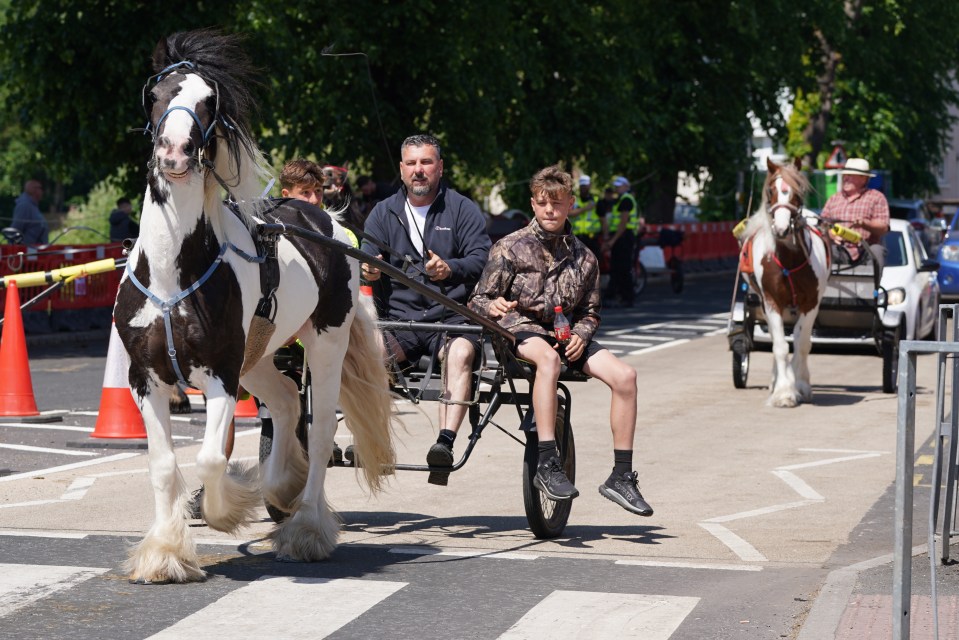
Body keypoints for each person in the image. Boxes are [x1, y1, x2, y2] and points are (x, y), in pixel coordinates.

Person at [468, 164, 653, 516]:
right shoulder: (509, 248)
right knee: (548, 361)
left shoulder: (585, 258)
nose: (549, 210)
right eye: (542, 203)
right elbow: (477, 300)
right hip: (519, 332)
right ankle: (547, 461)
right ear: (533, 204)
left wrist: (583, 334)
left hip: (567, 336)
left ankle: (621, 476)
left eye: (556, 203)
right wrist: (494, 305)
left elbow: (591, 310)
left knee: (626, 377)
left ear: (570, 203)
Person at [360, 134, 491, 484]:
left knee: (462, 353)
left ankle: (444, 444)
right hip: (399, 320)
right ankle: (373, 442)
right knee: (365, 351)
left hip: (451, 319)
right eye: (412, 163)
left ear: (440, 167)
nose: (419, 170)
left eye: (426, 162)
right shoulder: (382, 212)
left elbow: (482, 258)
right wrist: (369, 269)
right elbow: (367, 256)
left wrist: (450, 268)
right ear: (402, 170)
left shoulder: (462, 209)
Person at [821, 157, 890, 279]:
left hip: (866, 249)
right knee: (827, 251)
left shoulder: (876, 197)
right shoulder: (834, 199)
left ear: (863, 179)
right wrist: (831, 234)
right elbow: (822, 224)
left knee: (877, 251)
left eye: (850, 175)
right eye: (845, 175)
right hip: (839, 250)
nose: (845, 178)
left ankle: (870, 289)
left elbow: (883, 227)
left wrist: (865, 224)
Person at [602, 176, 640, 307]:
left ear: (626, 186)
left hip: (624, 237)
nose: (617, 188)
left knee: (623, 268)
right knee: (618, 268)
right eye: (616, 185)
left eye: (619, 185)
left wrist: (612, 241)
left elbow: (623, 223)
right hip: (621, 237)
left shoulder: (626, 200)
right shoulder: (620, 200)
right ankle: (622, 297)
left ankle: (626, 297)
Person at [569, 174, 601, 258]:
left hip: (592, 238)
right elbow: (569, 213)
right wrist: (585, 208)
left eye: (585, 186)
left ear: (590, 186)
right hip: (577, 238)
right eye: (582, 186)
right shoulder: (575, 201)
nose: (583, 188)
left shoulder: (596, 201)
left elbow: (603, 219)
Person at [11, 179, 48, 245]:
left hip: (36, 251)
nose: (42, 191)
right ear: (33, 190)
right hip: (28, 252)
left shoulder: (33, 206)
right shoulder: (24, 206)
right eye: (40, 188)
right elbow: (16, 231)